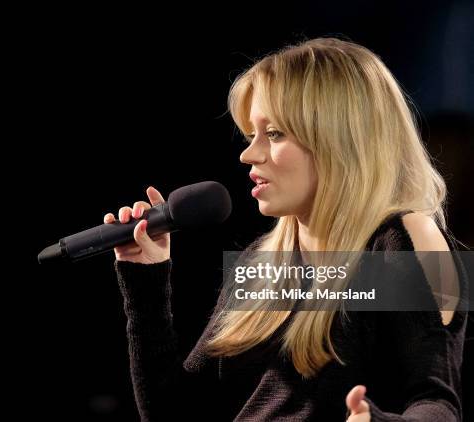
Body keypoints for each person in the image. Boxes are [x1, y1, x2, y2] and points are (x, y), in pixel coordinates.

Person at [103, 38, 468, 421]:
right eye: (250, 136)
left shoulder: (405, 238)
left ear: (338, 139)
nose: (248, 154)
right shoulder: (262, 260)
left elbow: (439, 403)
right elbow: (174, 413)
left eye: (274, 134)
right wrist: (146, 280)